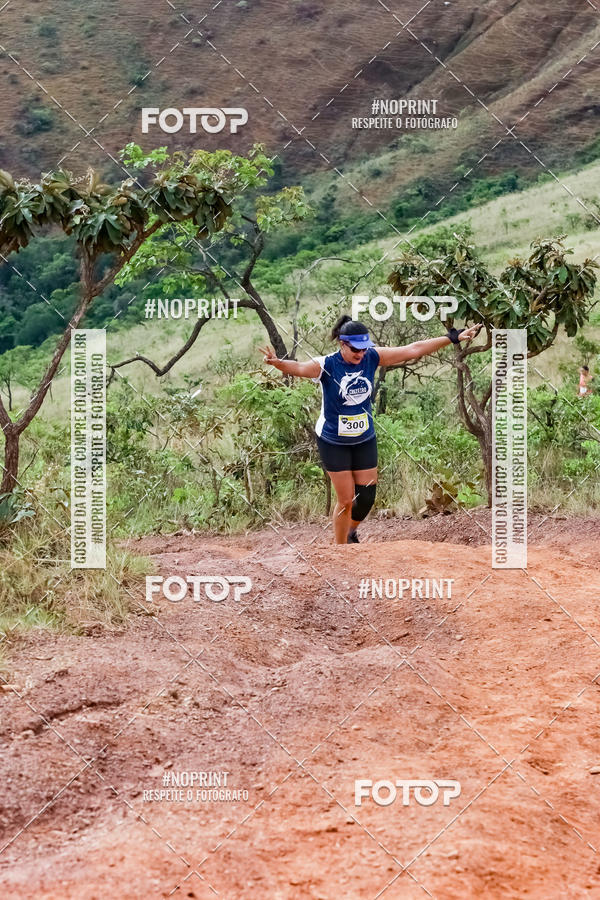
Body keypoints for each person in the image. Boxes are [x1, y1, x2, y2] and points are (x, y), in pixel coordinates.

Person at [259, 315, 482, 544]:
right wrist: (278, 363)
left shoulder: (371, 357)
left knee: (366, 498)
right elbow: (299, 367)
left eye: (364, 349)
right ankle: (340, 550)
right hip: (334, 441)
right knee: (345, 500)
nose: (360, 354)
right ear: (342, 344)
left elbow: (414, 349)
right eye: (355, 349)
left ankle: (350, 532)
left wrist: (452, 337)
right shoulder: (327, 365)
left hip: (364, 438)